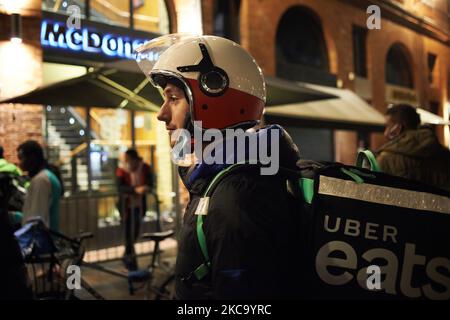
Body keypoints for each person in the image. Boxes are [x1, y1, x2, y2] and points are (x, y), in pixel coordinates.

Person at [135, 34, 302, 299]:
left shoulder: (237, 197)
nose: (162, 113)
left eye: (173, 98)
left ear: (213, 96)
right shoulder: (221, 182)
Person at [377, 103, 450, 191]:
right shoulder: (444, 154)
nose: (385, 133)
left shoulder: (386, 159)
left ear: (398, 128)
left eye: (387, 126)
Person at [116, 149, 155, 270]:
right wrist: (135, 190)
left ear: (134, 159)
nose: (127, 162)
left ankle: (127, 258)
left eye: (128, 160)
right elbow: (120, 188)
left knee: (134, 234)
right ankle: (132, 264)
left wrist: (145, 188)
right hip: (126, 208)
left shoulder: (145, 168)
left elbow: (150, 183)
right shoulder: (121, 170)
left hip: (139, 207)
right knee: (129, 236)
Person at [17, 140, 62, 231]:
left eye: (22, 158)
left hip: (44, 241)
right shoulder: (46, 176)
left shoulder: (41, 180)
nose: (20, 163)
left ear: (31, 158)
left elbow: (36, 218)